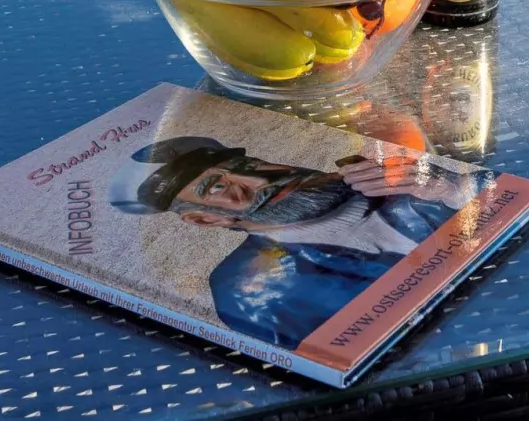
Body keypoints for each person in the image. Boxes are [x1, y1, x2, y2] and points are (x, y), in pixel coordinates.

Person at [110, 137, 494, 347]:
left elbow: (505, 198)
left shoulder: (400, 175)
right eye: (217, 187)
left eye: (247, 166)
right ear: (205, 218)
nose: (261, 181)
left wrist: (451, 189)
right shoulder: (246, 291)